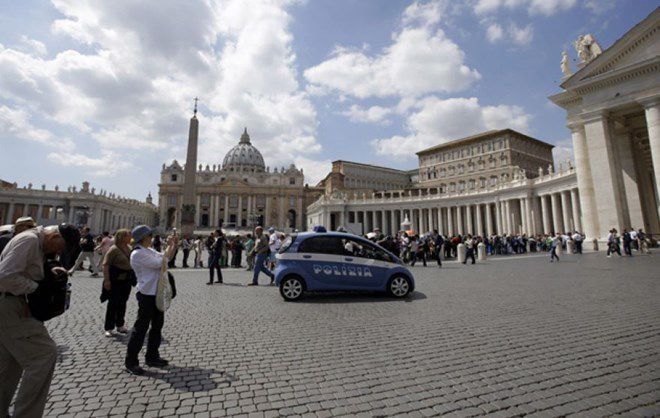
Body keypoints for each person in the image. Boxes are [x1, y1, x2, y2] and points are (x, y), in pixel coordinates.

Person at [0, 223, 80, 417]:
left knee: (12, 363)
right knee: (44, 355)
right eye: (59, 248)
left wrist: (48, 273)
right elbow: (4, 276)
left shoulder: (34, 241)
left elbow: (24, 270)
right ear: (53, 237)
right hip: (12, 305)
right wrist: (37, 287)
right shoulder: (29, 240)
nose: (58, 253)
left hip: (11, 304)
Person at [125, 225, 178, 375]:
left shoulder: (149, 251)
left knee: (157, 326)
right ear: (144, 237)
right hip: (146, 294)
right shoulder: (137, 254)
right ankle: (131, 361)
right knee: (141, 328)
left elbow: (166, 258)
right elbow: (161, 263)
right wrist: (169, 247)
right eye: (150, 235)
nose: (152, 238)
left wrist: (173, 245)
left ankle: (152, 356)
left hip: (157, 293)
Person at [102, 229, 133, 337]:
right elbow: (106, 265)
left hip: (126, 280)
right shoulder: (113, 249)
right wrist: (107, 280)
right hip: (115, 280)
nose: (130, 238)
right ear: (122, 237)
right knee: (113, 303)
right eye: (128, 236)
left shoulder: (129, 248)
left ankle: (120, 325)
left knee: (123, 302)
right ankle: (109, 327)